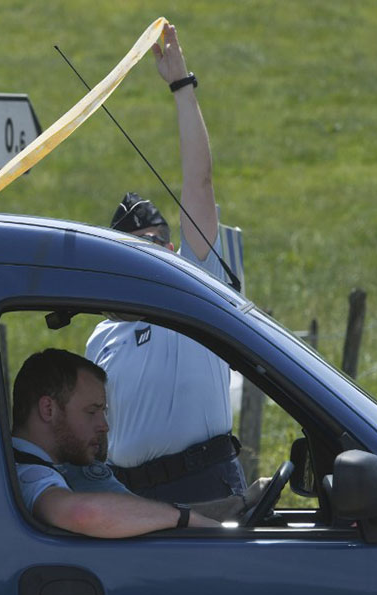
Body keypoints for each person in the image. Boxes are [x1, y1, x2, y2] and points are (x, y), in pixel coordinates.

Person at [86, 22, 255, 504]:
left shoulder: (196, 285)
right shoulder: (101, 336)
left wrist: (181, 86)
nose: (155, 251)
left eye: (161, 241)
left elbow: (199, 184)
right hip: (130, 498)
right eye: (138, 245)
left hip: (207, 488)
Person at [10, 348, 220, 537]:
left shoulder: (20, 464)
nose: (104, 425)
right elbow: (83, 514)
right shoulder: (28, 474)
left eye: (104, 412)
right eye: (91, 411)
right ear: (48, 409)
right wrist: (183, 519)